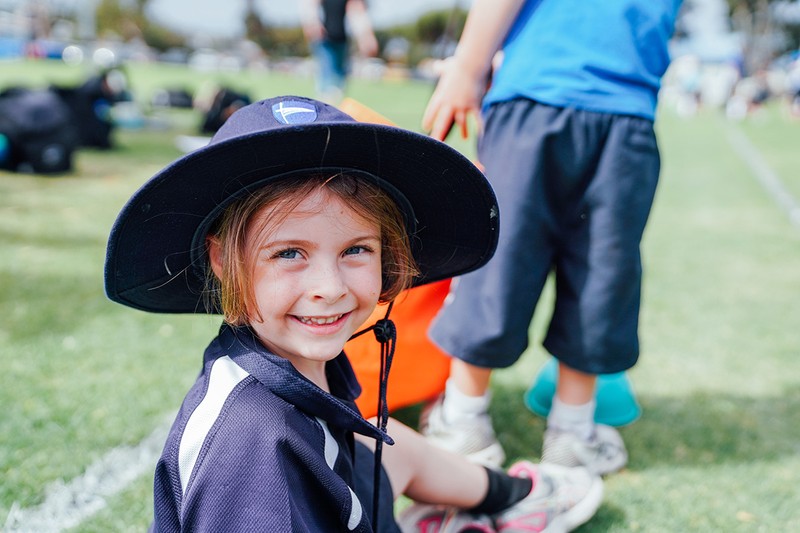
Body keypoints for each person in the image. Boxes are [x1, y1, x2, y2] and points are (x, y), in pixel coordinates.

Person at [104, 95, 604, 532]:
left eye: (356, 250)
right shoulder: (252, 452)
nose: (329, 288)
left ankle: (513, 496)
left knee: (388, 442)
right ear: (221, 260)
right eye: (288, 253)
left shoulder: (283, 361)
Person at [420, 0, 683, 474]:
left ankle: (572, 429)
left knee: (604, 273)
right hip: (539, 96)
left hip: (625, 112)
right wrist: (468, 67)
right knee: (501, 261)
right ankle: (465, 417)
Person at [301, 0, 378, 103]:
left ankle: (335, 102)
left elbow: (357, 11)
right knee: (326, 75)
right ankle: (324, 101)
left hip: (342, 39)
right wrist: (312, 23)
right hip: (324, 38)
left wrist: (365, 37)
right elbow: (310, 5)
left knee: (339, 79)